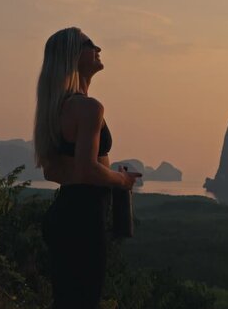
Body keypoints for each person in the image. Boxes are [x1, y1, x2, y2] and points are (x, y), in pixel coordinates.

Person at [34, 27, 141, 308]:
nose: (98, 48)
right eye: (90, 44)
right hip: (83, 219)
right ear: (73, 55)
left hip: (63, 214)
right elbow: (87, 170)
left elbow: (52, 171)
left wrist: (93, 173)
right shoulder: (89, 108)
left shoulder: (55, 110)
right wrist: (121, 180)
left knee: (66, 300)